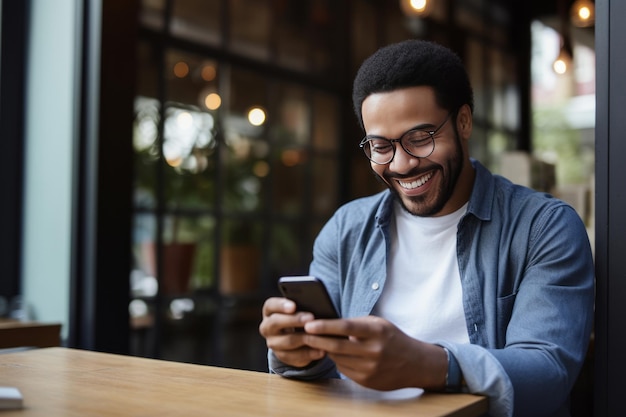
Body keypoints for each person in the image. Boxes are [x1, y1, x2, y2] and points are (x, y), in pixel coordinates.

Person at [258, 39, 595, 417]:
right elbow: (320, 375)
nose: (401, 164)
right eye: (381, 146)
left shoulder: (544, 227)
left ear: (464, 121)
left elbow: (549, 374)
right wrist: (296, 352)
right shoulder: (347, 228)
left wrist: (431, 364)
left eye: (420, 138)